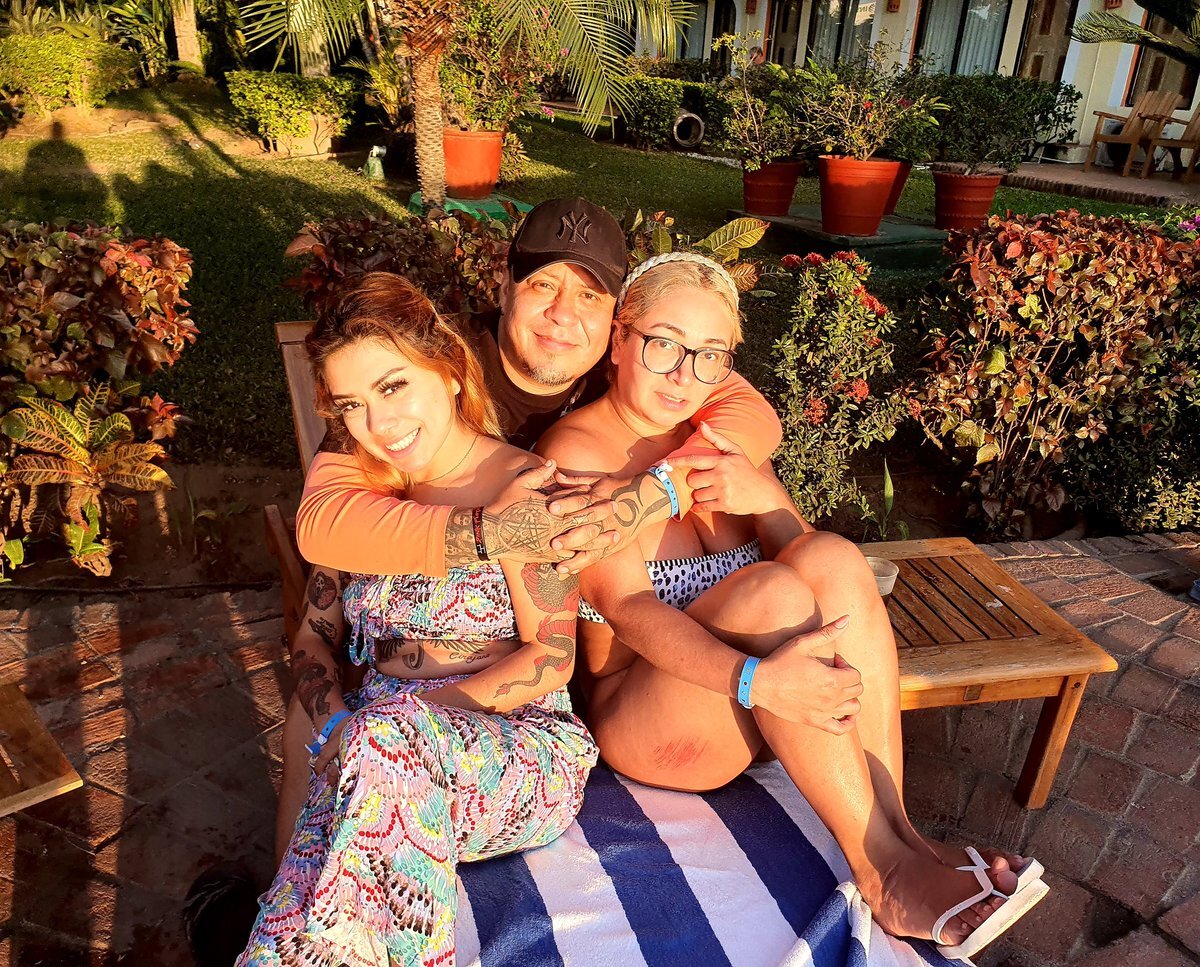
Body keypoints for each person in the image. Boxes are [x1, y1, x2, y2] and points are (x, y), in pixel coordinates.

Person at [536, 252, 1049, 961]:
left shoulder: (714, 434)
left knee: (830, 554)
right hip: (649, 720)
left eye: (709, 356)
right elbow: (627, 608)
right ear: (619, 340)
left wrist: (763, 498)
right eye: (663, 345)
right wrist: (759, 681)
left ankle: (902, 832)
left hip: (752, 705)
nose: (684, 375)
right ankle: (882, 871)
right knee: (770, 591)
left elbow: (811, 557)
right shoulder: (577, 453)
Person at [276, 197, 783, 857]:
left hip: (539, 695)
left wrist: (651, 493)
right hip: (436, 677)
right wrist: (488, 531)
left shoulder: (635, 369)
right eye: (543, 285)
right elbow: (323, 521)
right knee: (332, 740)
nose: (564, 315)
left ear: (617, 324)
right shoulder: (425, 381)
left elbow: (750, 413)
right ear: (503, 286)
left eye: (589, 296)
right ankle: (284, 896)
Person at [238, 273, 598, 966]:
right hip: (374, 741)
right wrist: (335, 721)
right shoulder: (360, 497)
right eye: (352, 405)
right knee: (346, 761)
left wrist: (399, 723)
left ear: (450, 370)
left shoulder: (523, 487)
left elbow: (551, 658)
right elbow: (315, 633)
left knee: (380, 746)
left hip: (514, 742)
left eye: (393, 386)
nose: (379, 425)